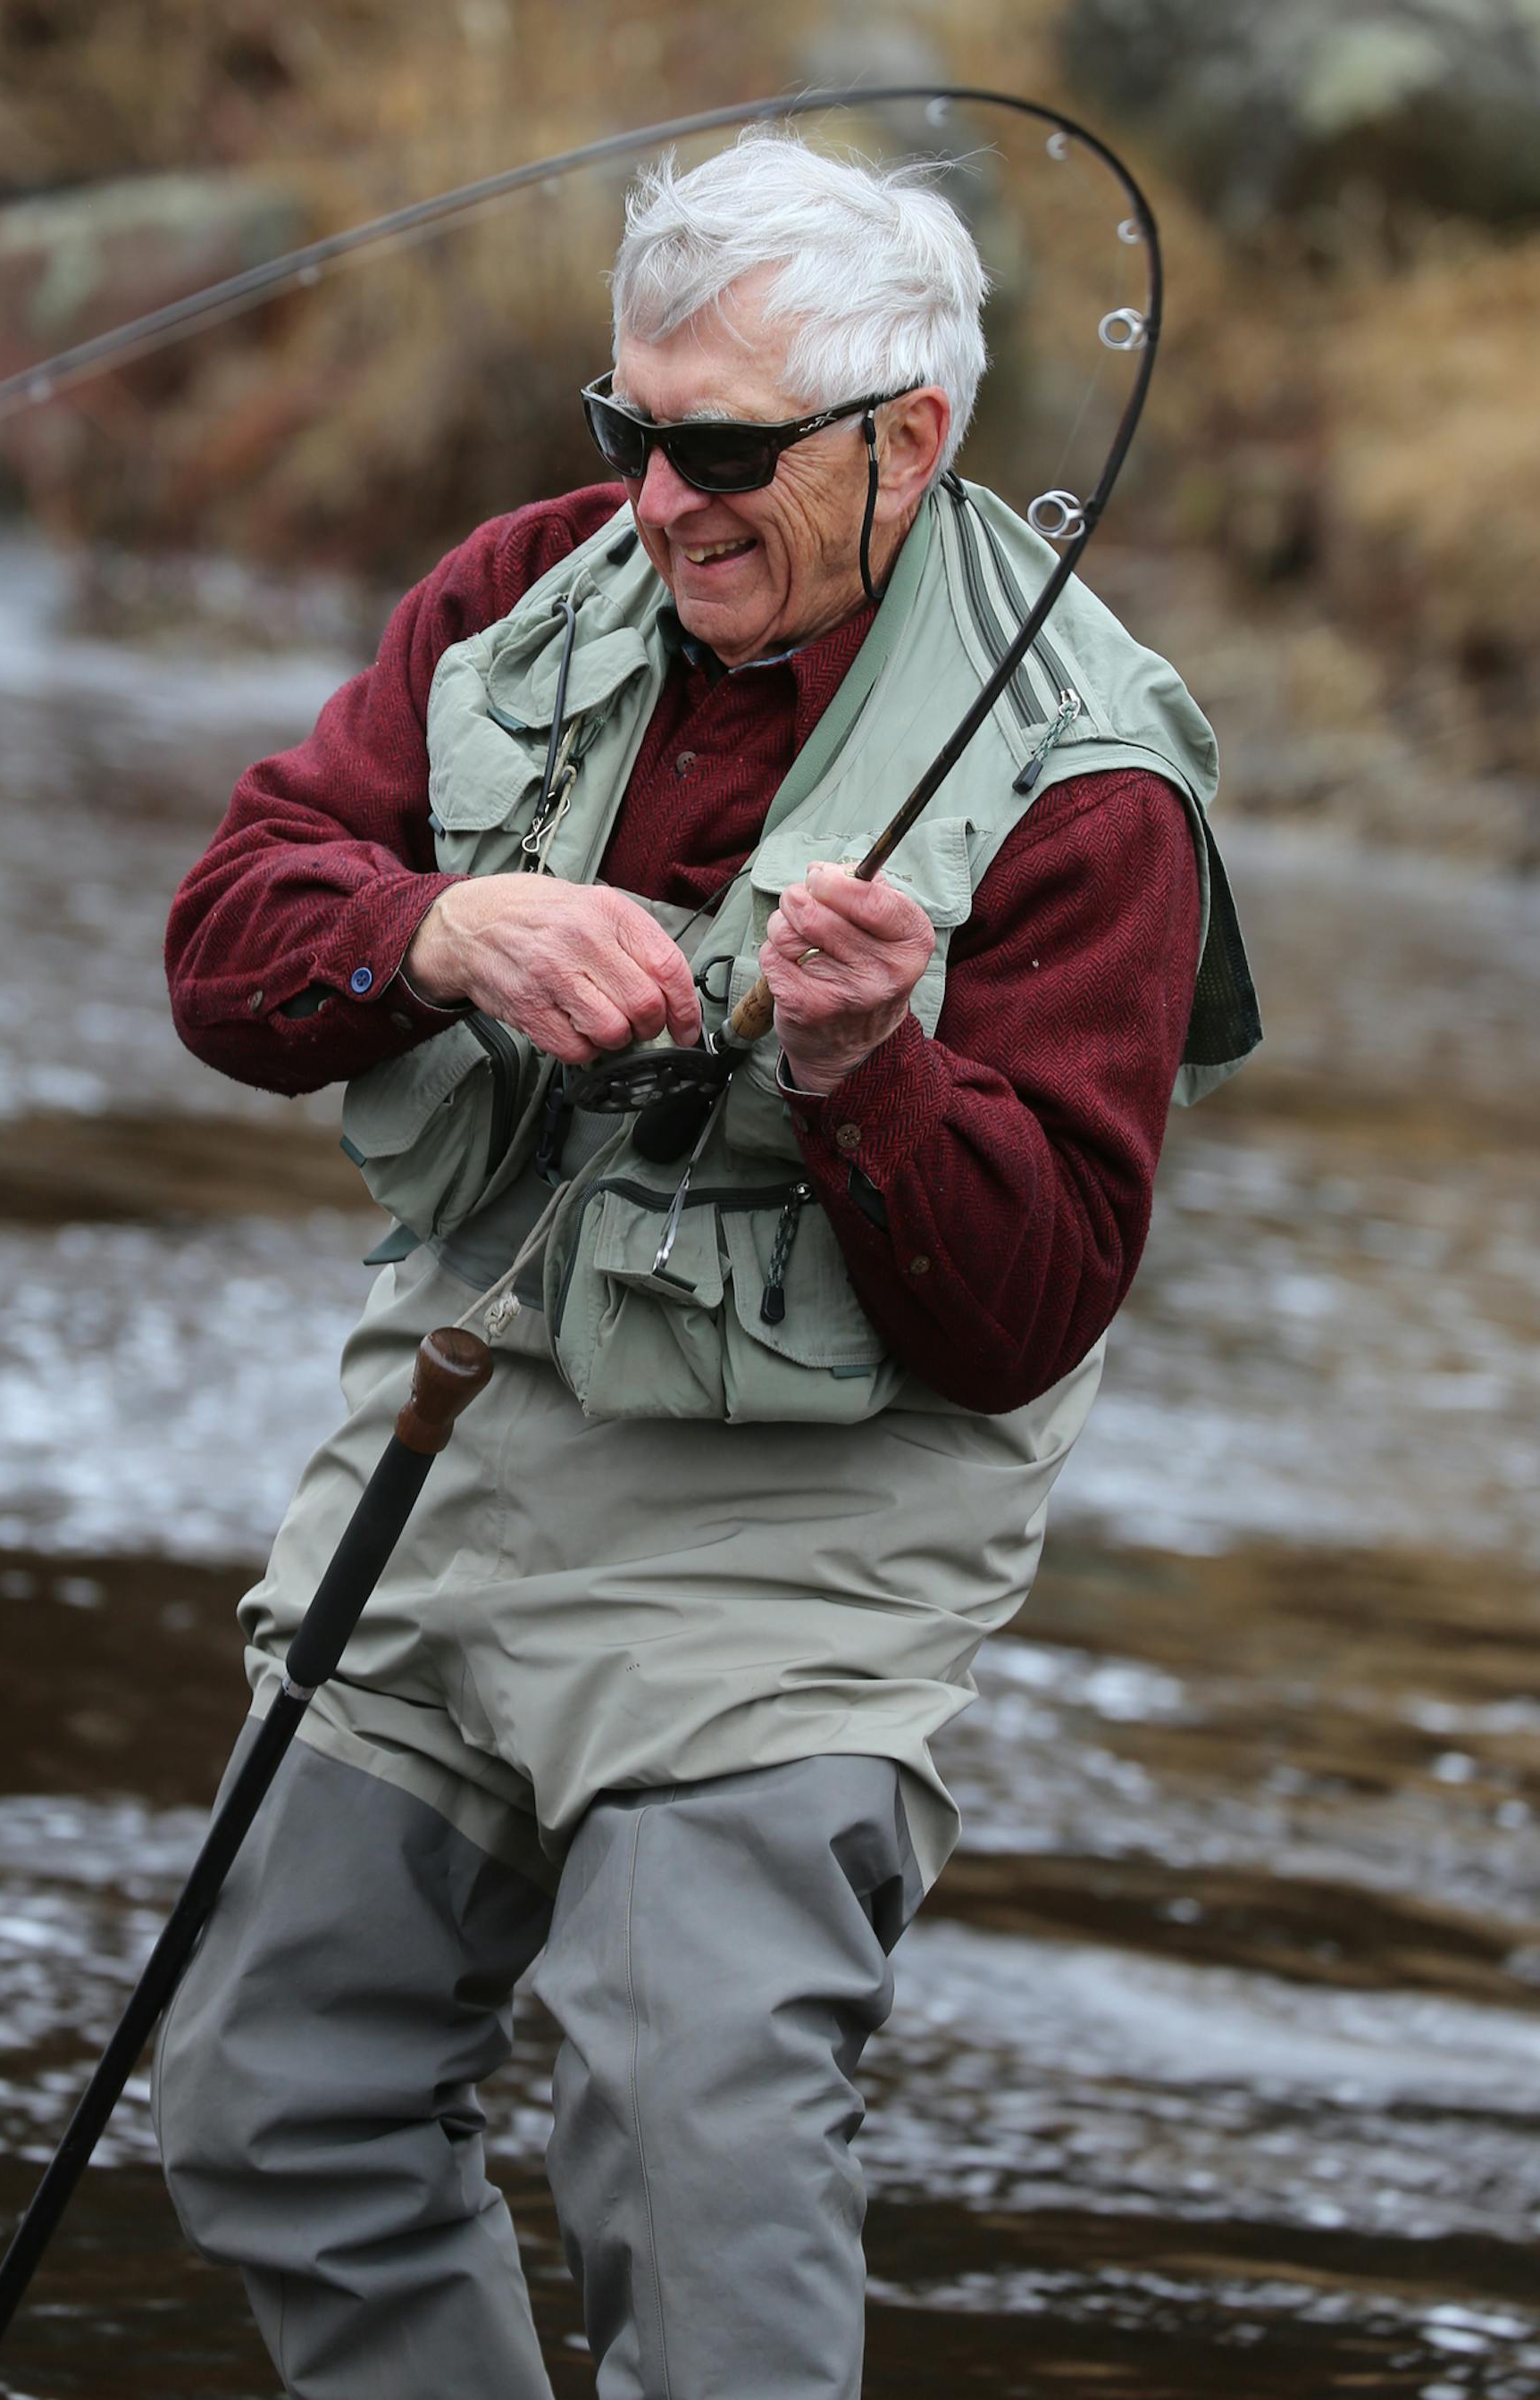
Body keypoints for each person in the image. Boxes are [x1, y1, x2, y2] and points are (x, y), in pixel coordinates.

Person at [153, 129, 1258, 2400]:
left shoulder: (1094, 790)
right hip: (455, 1454)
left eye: (729, 452)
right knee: (281, 2109)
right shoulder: (516, 593)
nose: (663, 502)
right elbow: (227, 950)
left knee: (693, 2175)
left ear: (912, 440)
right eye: (630, 433)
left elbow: (1029, 1302)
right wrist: (434, 926)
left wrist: (874, 1074)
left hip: (800, 1557)